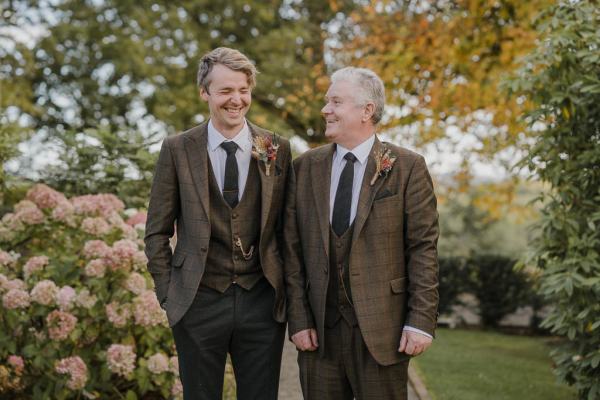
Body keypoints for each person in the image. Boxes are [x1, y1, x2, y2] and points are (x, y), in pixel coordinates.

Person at [144, 47, 292, 400]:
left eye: (243, 90)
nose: (236, 100)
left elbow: (289, 230)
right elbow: (156, 231)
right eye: (225, 90)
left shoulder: (276, 147)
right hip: (198, 300)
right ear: (205, 93)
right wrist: (169, 293)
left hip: (261, 300)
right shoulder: (177, 149)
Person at [284, 67, 439, 399]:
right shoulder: (304, 168)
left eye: (336, 101)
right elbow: (291, 251)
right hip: (318, 336)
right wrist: (298, 319)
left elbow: (423, 249)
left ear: (367, 110)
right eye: (327, 102)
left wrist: (420, 321)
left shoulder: (407, 167)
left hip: (383, 331)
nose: (326, 109)